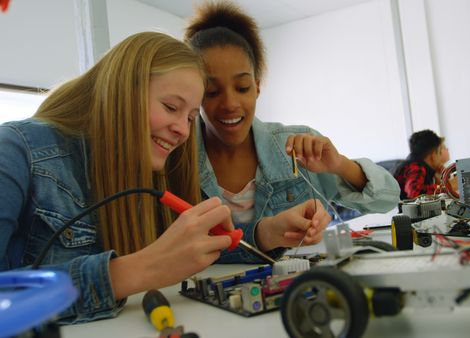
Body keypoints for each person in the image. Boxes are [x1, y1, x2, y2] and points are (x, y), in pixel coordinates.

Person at [0, 31, 329, 324]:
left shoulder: (148, 166)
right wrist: (137, 270)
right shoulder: (16, 150)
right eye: (171, 107)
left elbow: (189, 251)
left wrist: (267, 232)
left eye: (190, 117)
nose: (183, 131)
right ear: (121, 94)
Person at [183, 1, 400, 261]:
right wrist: (265, 234)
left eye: (242, 88)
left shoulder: (297, 147)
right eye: (212, 92)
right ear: (194, 93)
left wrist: (340, 165)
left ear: (257, 87)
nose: (230, 104)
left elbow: (388, 198)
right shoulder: (176, 160)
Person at [393, 129, 454, 200]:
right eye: (439, 152)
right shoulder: (415, 167)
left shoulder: (414, 164)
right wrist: (448, 187)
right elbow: (415, 193)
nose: (440, 158)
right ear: (433, 155)